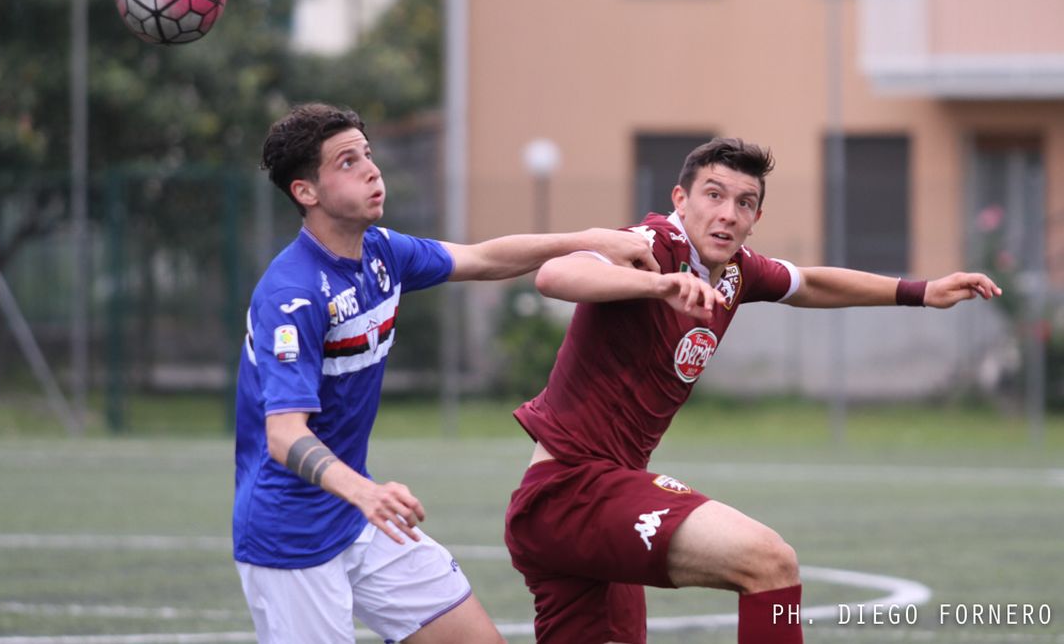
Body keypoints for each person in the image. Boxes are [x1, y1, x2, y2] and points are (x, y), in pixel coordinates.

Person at [503, 137, 1002, 644]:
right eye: (713, 195)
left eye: (744, 203)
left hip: (595, 506)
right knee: (769, 562)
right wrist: (658, 285)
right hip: (570, 492)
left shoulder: (737, 271)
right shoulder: (652, 245)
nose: (728, 213)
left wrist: (922, 292)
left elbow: (810, 284)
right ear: (681, 200)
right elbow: (556, 274)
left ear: (755, 218)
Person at [232, 102, 658, 644]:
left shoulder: (382, 254)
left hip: (359, 518)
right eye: (347, 162)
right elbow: (283, 434)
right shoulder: (292, 294)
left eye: (368, 154)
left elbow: (485, 259)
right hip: (289, 537)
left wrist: (589, 239)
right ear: (306, 192)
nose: (372, 170)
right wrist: (365, 492)